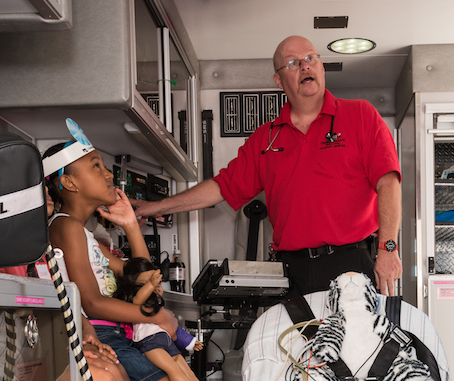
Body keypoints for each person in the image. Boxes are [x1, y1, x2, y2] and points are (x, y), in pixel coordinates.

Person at [132, 36, 403, 295]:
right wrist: (155, 206)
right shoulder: (266, 138)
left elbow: (388, 182)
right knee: (294, 344)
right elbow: (220, 188)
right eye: (293, 63)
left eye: (311, 58)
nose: (305, 65)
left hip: (352, 265)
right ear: (278, 79)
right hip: (292, 271)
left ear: (321, 67)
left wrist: (388, 248)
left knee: (354, 344)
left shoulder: (361, 115)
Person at [43, 124, 212, 381]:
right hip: (105, 342)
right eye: (95, 167)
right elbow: (90, 302)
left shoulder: (88, 237)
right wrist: (153, 316)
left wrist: (132, 225)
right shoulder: (66, 227)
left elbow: (145, 278)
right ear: (69, 184)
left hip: (119, 340)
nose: (108, 175)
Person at [115, 257, 226, 381]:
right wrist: (152, 284)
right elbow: (137, 301)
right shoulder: (134, 296)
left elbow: (172, 327)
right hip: (148, 342)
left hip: (163, 338)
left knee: (183, 366)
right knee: (172, 368)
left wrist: (190, 341)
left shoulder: (153, 298)